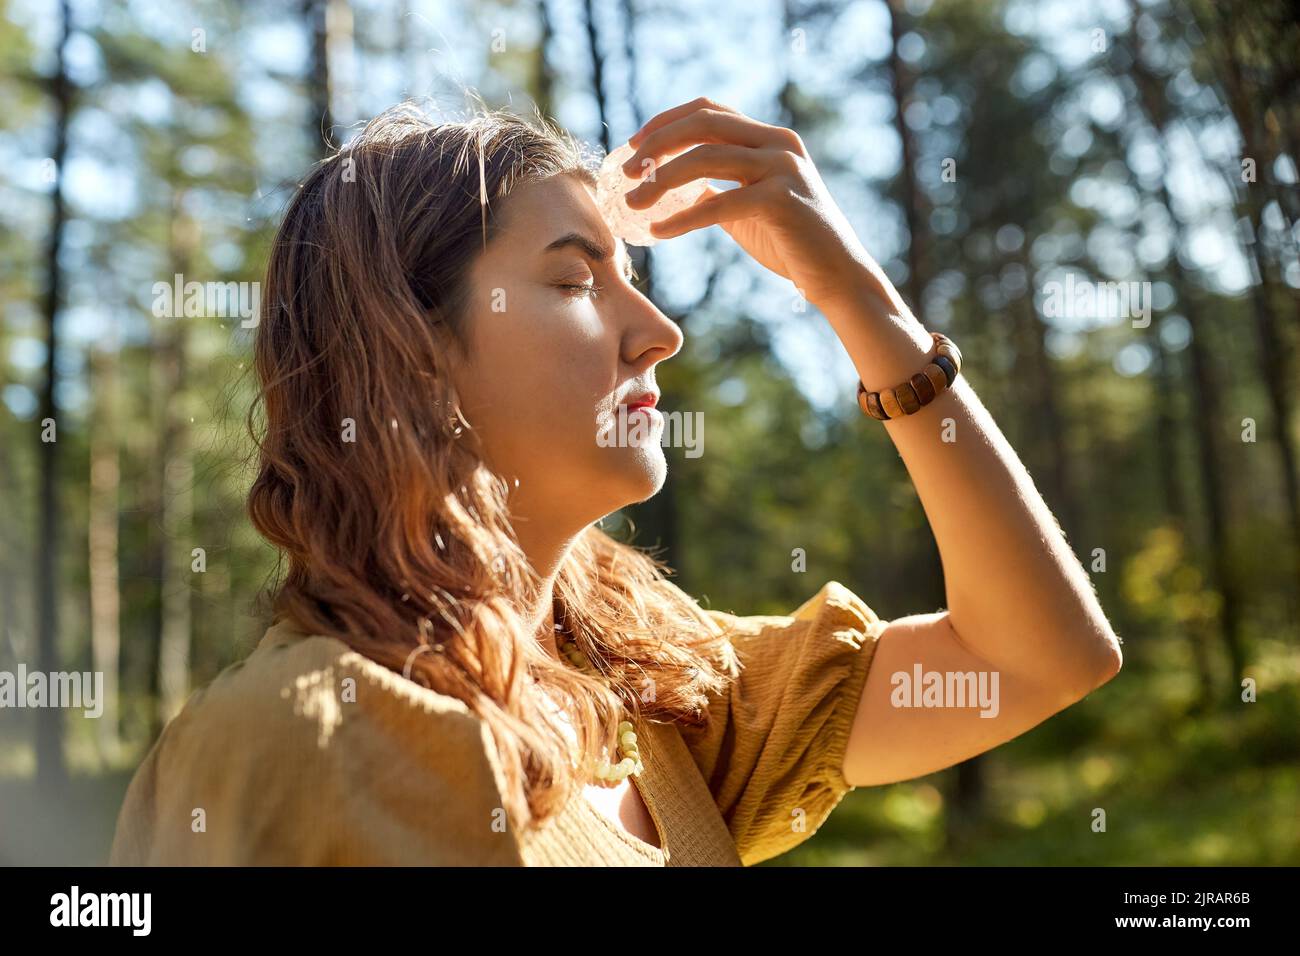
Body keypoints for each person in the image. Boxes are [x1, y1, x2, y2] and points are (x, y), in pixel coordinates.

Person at [109, 96, 1122, 867]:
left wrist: (858, 298)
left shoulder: (659, 702)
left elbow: (1036, 657)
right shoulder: (290, 736)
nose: (658, 333)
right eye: (572, 279)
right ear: (408, 351)